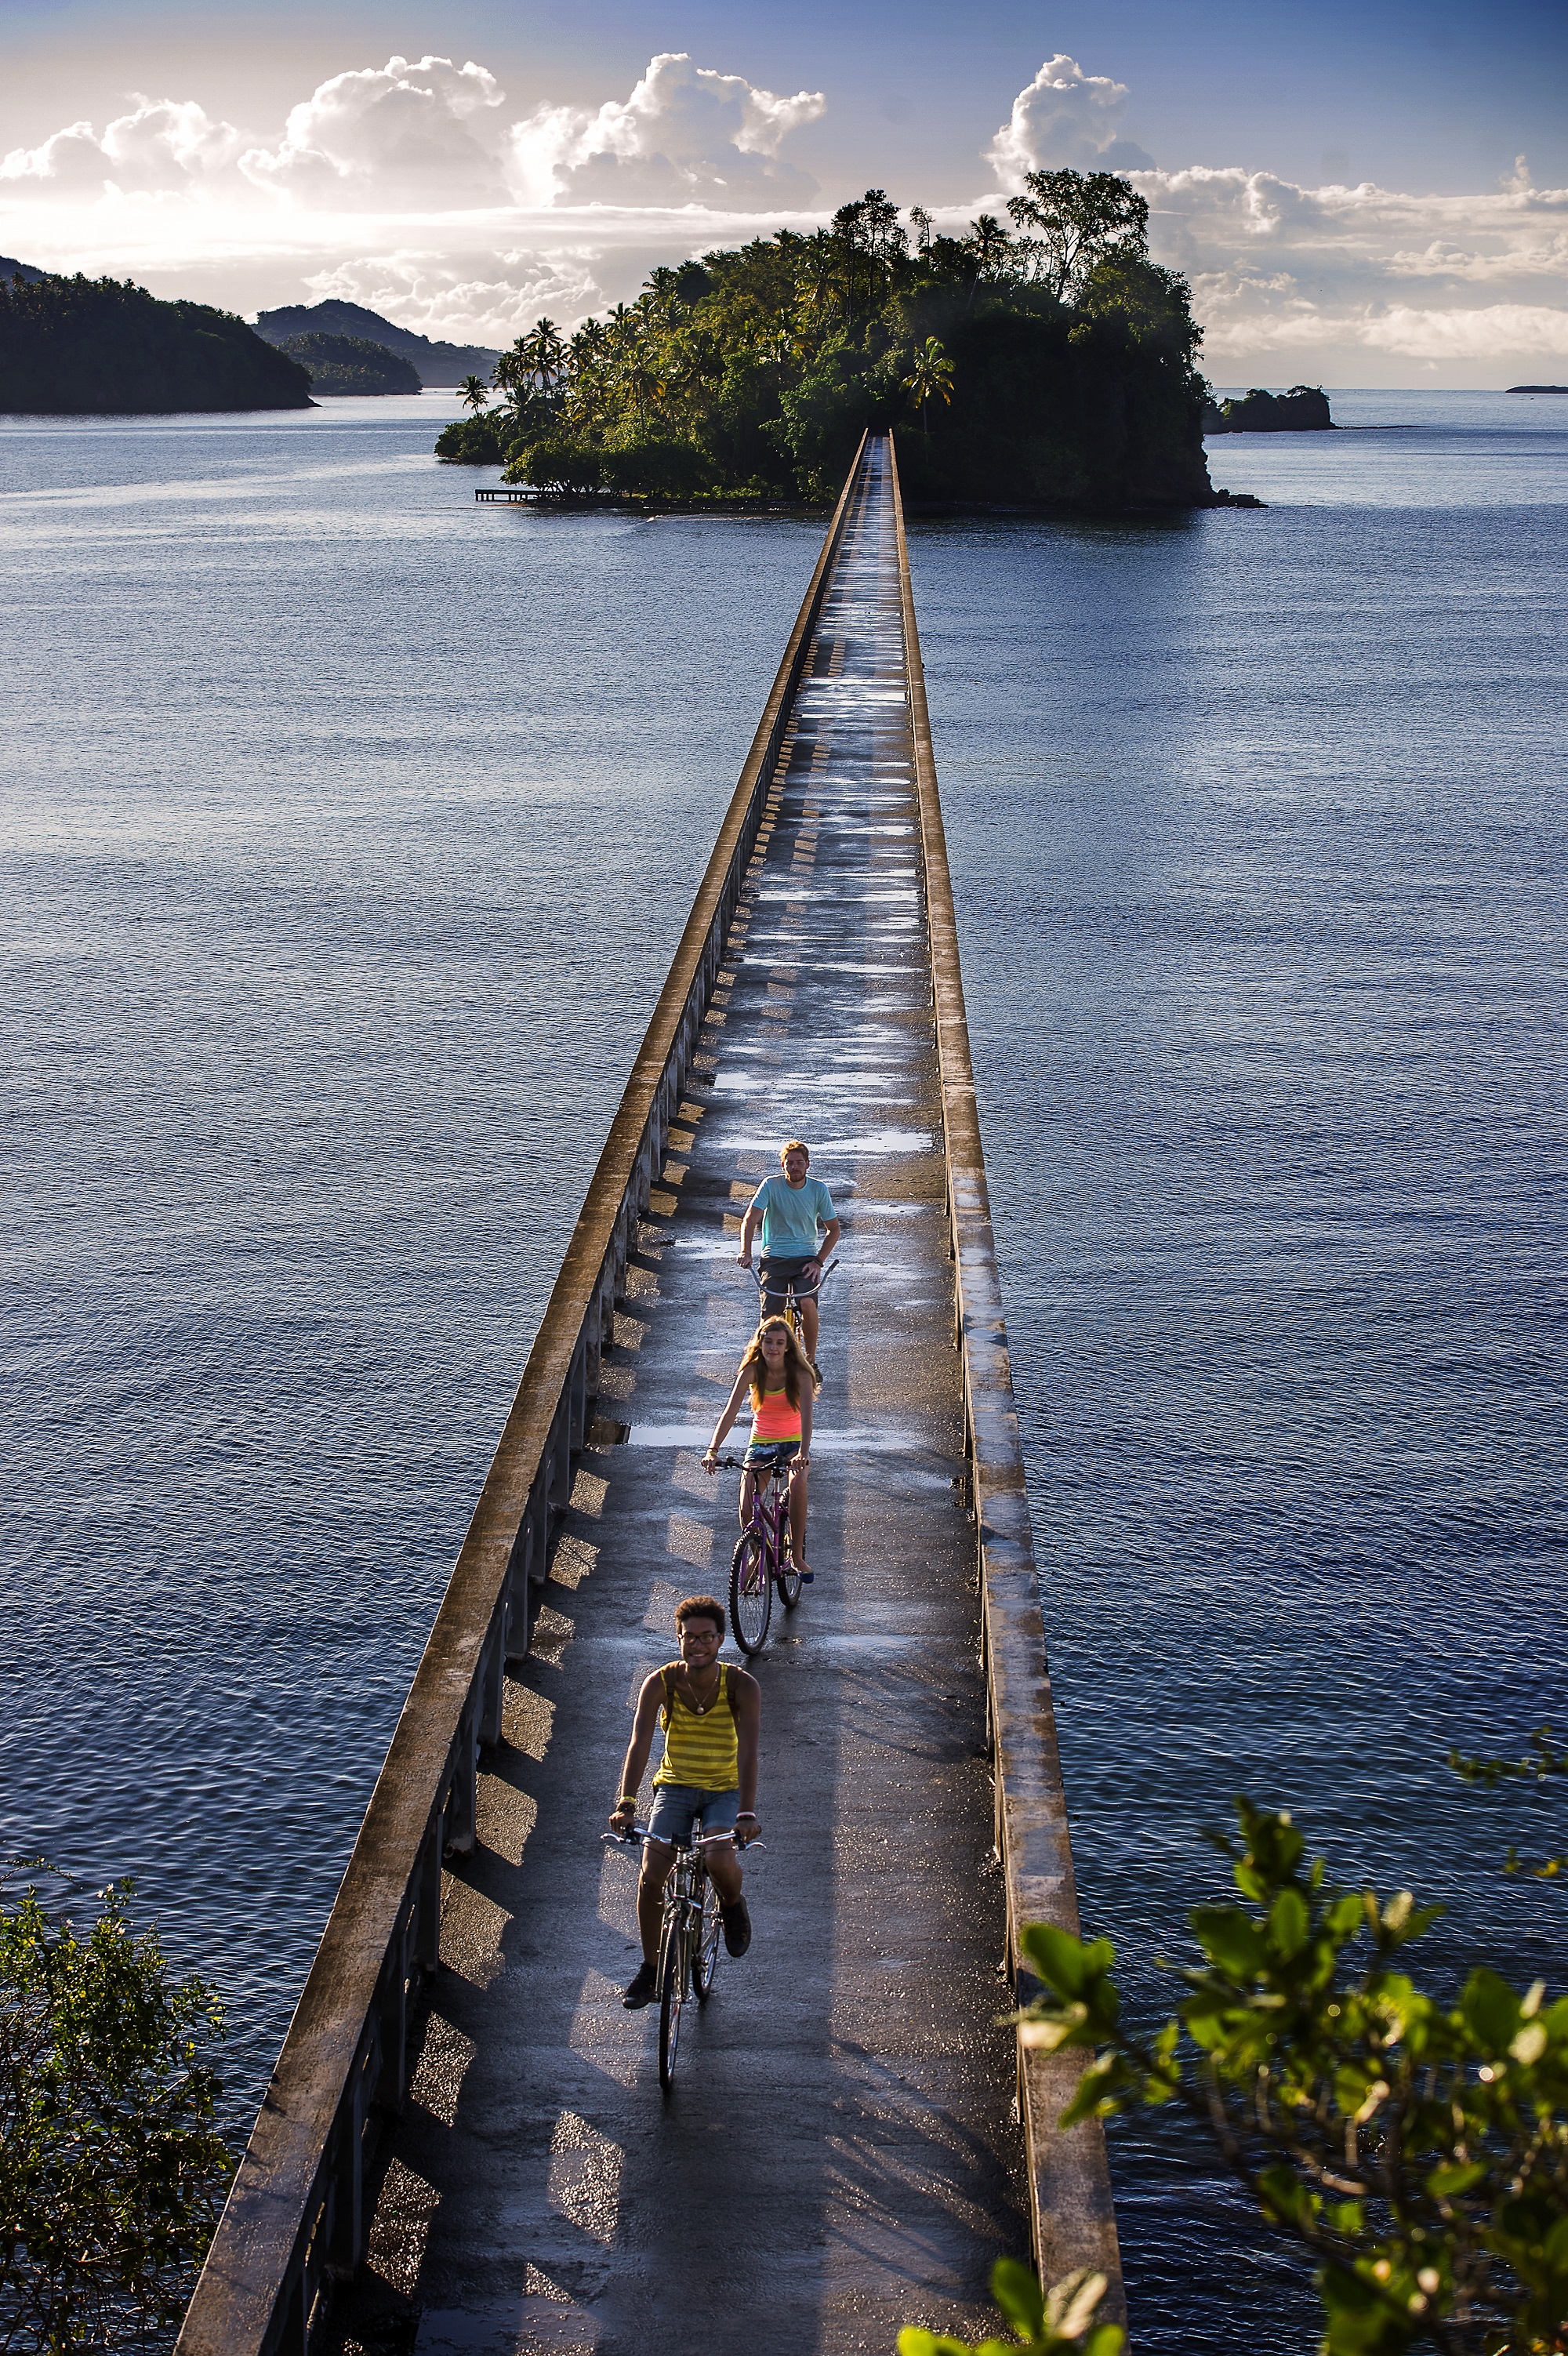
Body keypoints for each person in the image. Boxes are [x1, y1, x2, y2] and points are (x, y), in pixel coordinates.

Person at [611, 1594, 761, 2009]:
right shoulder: (661, 1682)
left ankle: (732, 1905)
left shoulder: (741, 1687)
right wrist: (626, 1802)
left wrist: (747, 1812)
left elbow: (749, 1751)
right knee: (650, 1874)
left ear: (721, 1639)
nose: (698, 1645)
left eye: (707, 1637)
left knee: (718, 1859)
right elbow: (640, 1742)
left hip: (723, 1790)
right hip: (674, 1787)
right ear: (678, 1639)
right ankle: (650, 1967)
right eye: (689, 1637)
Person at [703, 1316, 818, 1579]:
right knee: (746, 1505)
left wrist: (803, 1451)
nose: (773, 1348)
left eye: (780, 1343)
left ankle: (797, 1557)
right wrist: (713, 1450)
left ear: (788, 1346)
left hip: (793, 1444)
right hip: (760, 1445)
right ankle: (757, 1553)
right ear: (760, 1343)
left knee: (798, 1483)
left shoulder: (801, 1374)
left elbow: (807, 1418)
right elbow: (730, 1412)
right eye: (768, 1342)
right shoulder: (752, 1371)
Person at [735, 1138, 841, 1367]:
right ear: (783, 1165)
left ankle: (811, 1361)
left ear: (807, 1165)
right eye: (790, 1163)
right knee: (770, 1316)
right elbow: (750, 1219)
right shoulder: (770, 1186)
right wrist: (746, 1251)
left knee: (807, 1304)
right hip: (775, 1257)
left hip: (806, 1259)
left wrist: (818, 1262)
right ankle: (764, 1364)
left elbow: (834, 1230)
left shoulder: (818, 1189)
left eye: (799, 1163)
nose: (795, 1167)